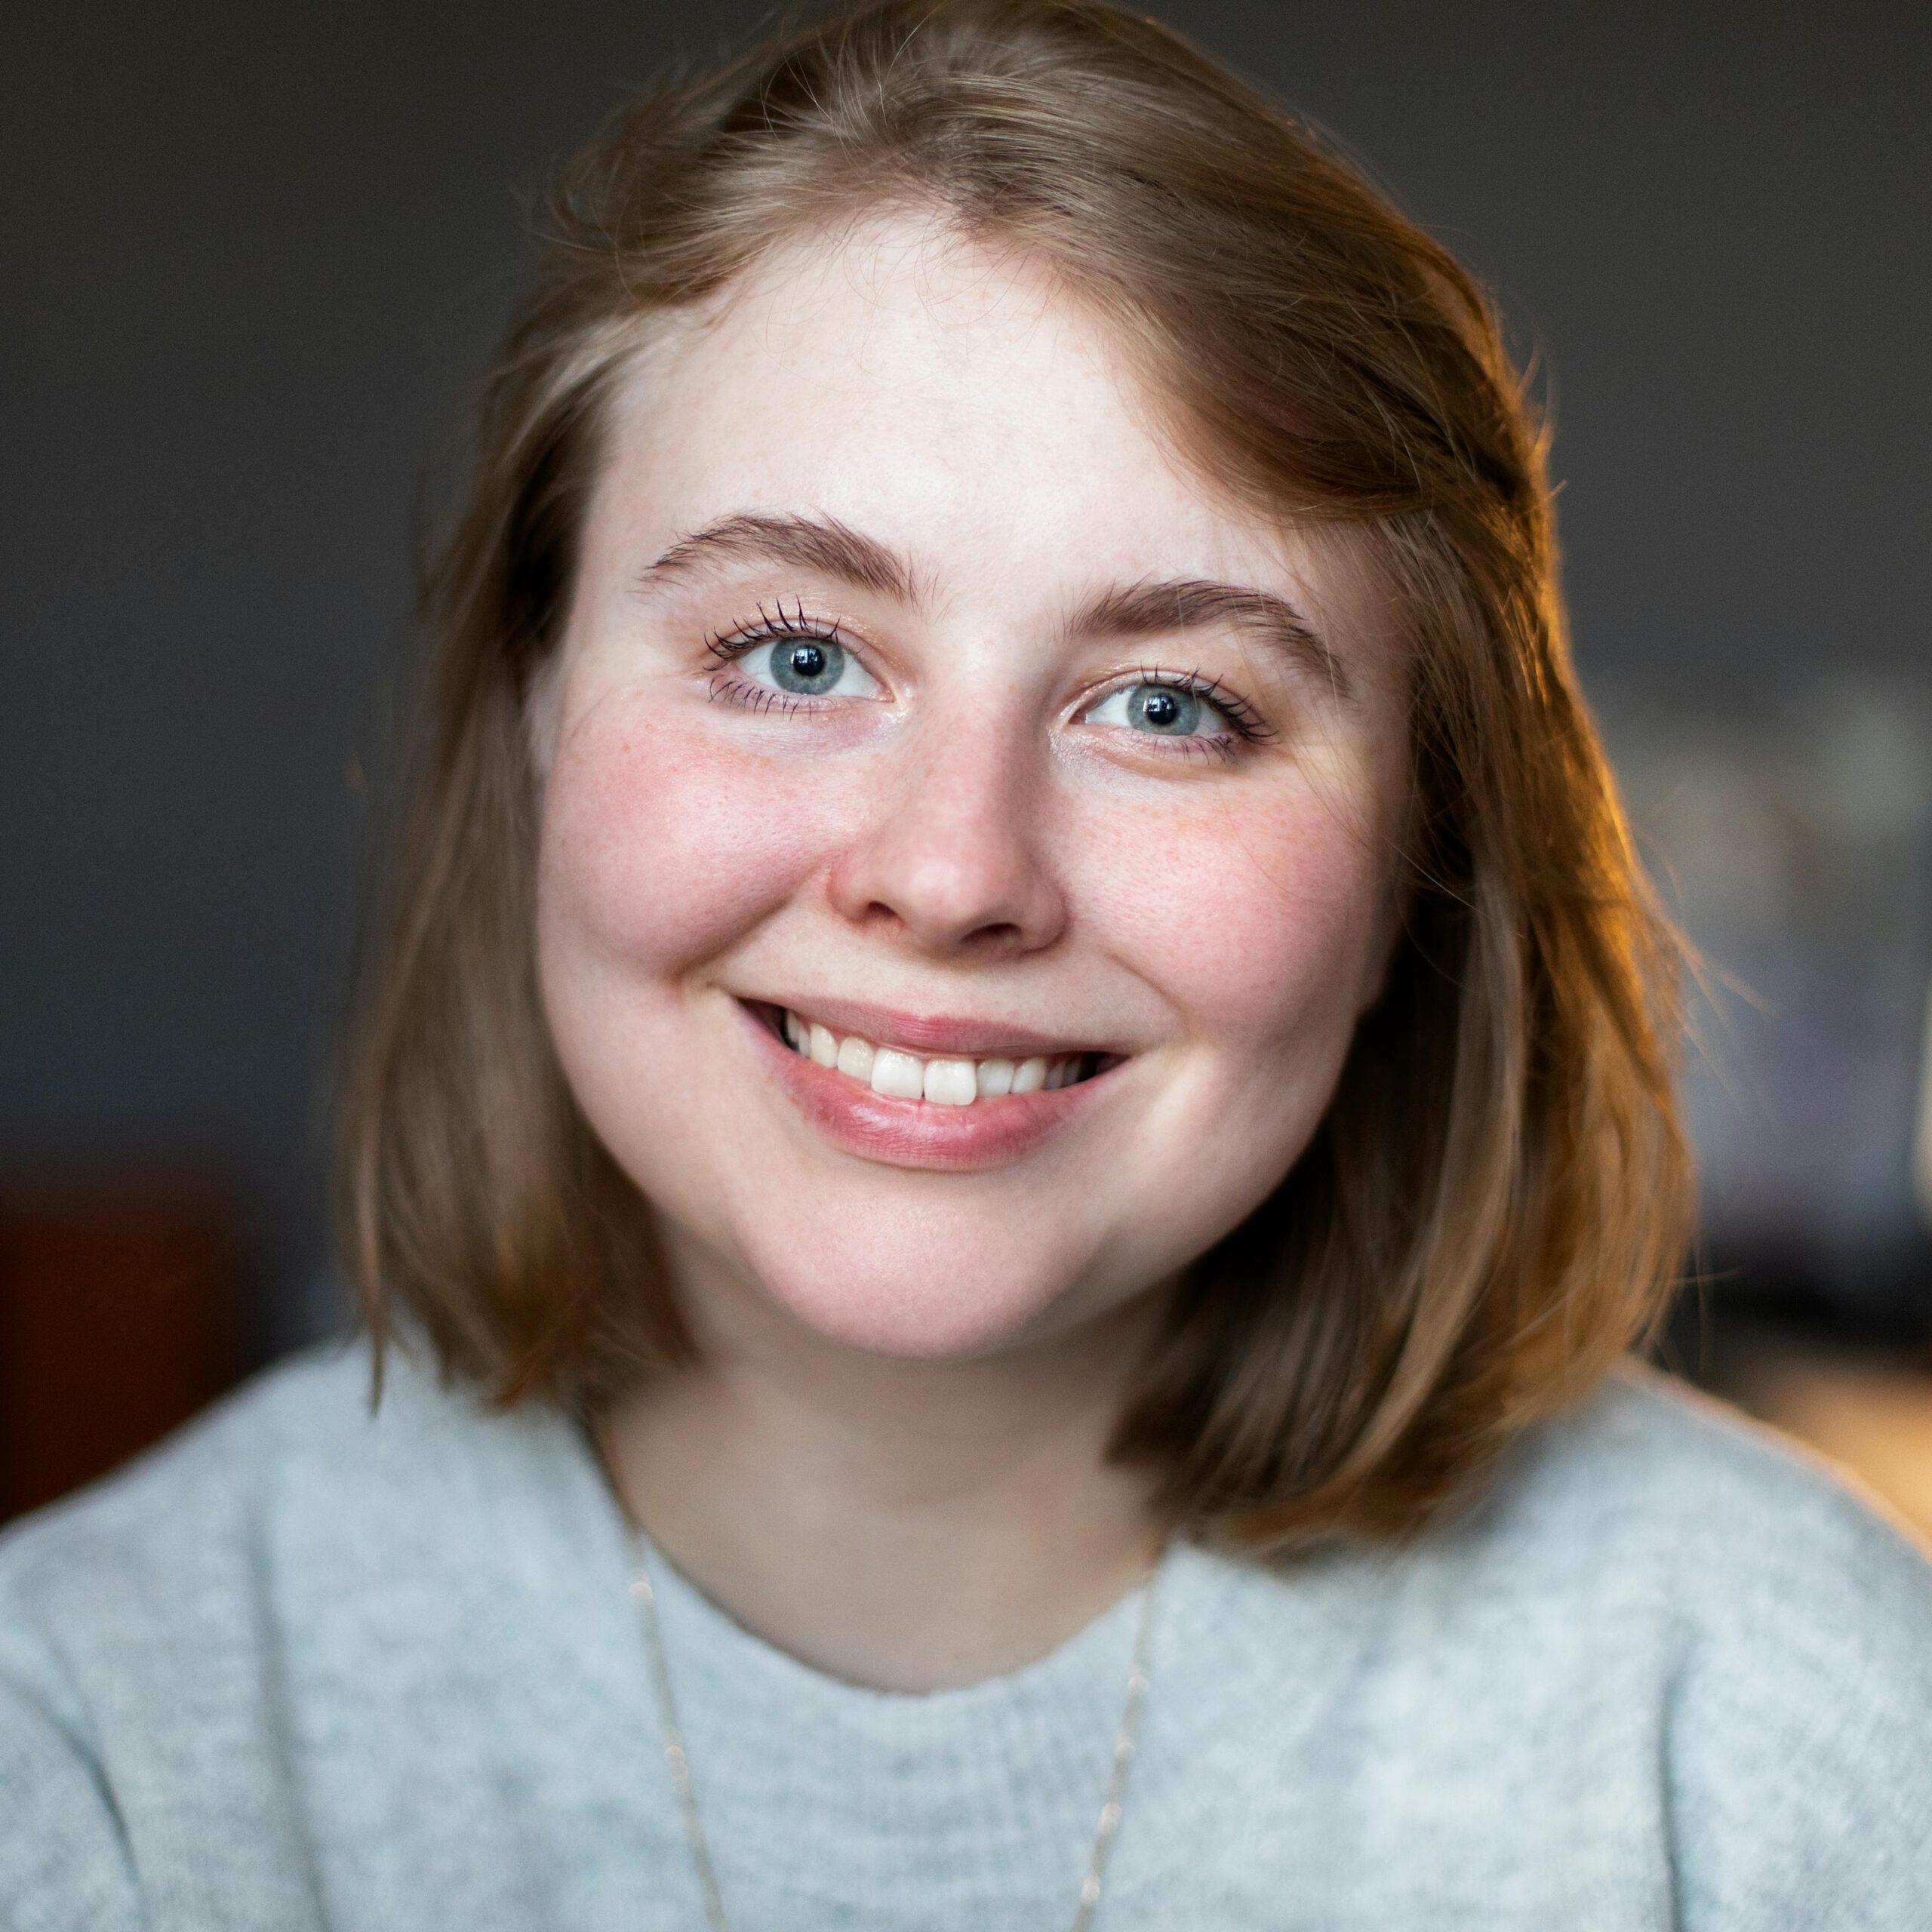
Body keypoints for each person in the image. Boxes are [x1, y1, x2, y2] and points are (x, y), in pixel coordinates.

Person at [4, 2, 1930, 1926]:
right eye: (795, 657)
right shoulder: (88, 1749)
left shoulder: (1779, 1729)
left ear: (1422, 851)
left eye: (1169, 703)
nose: (950, 873)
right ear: (532, 720)